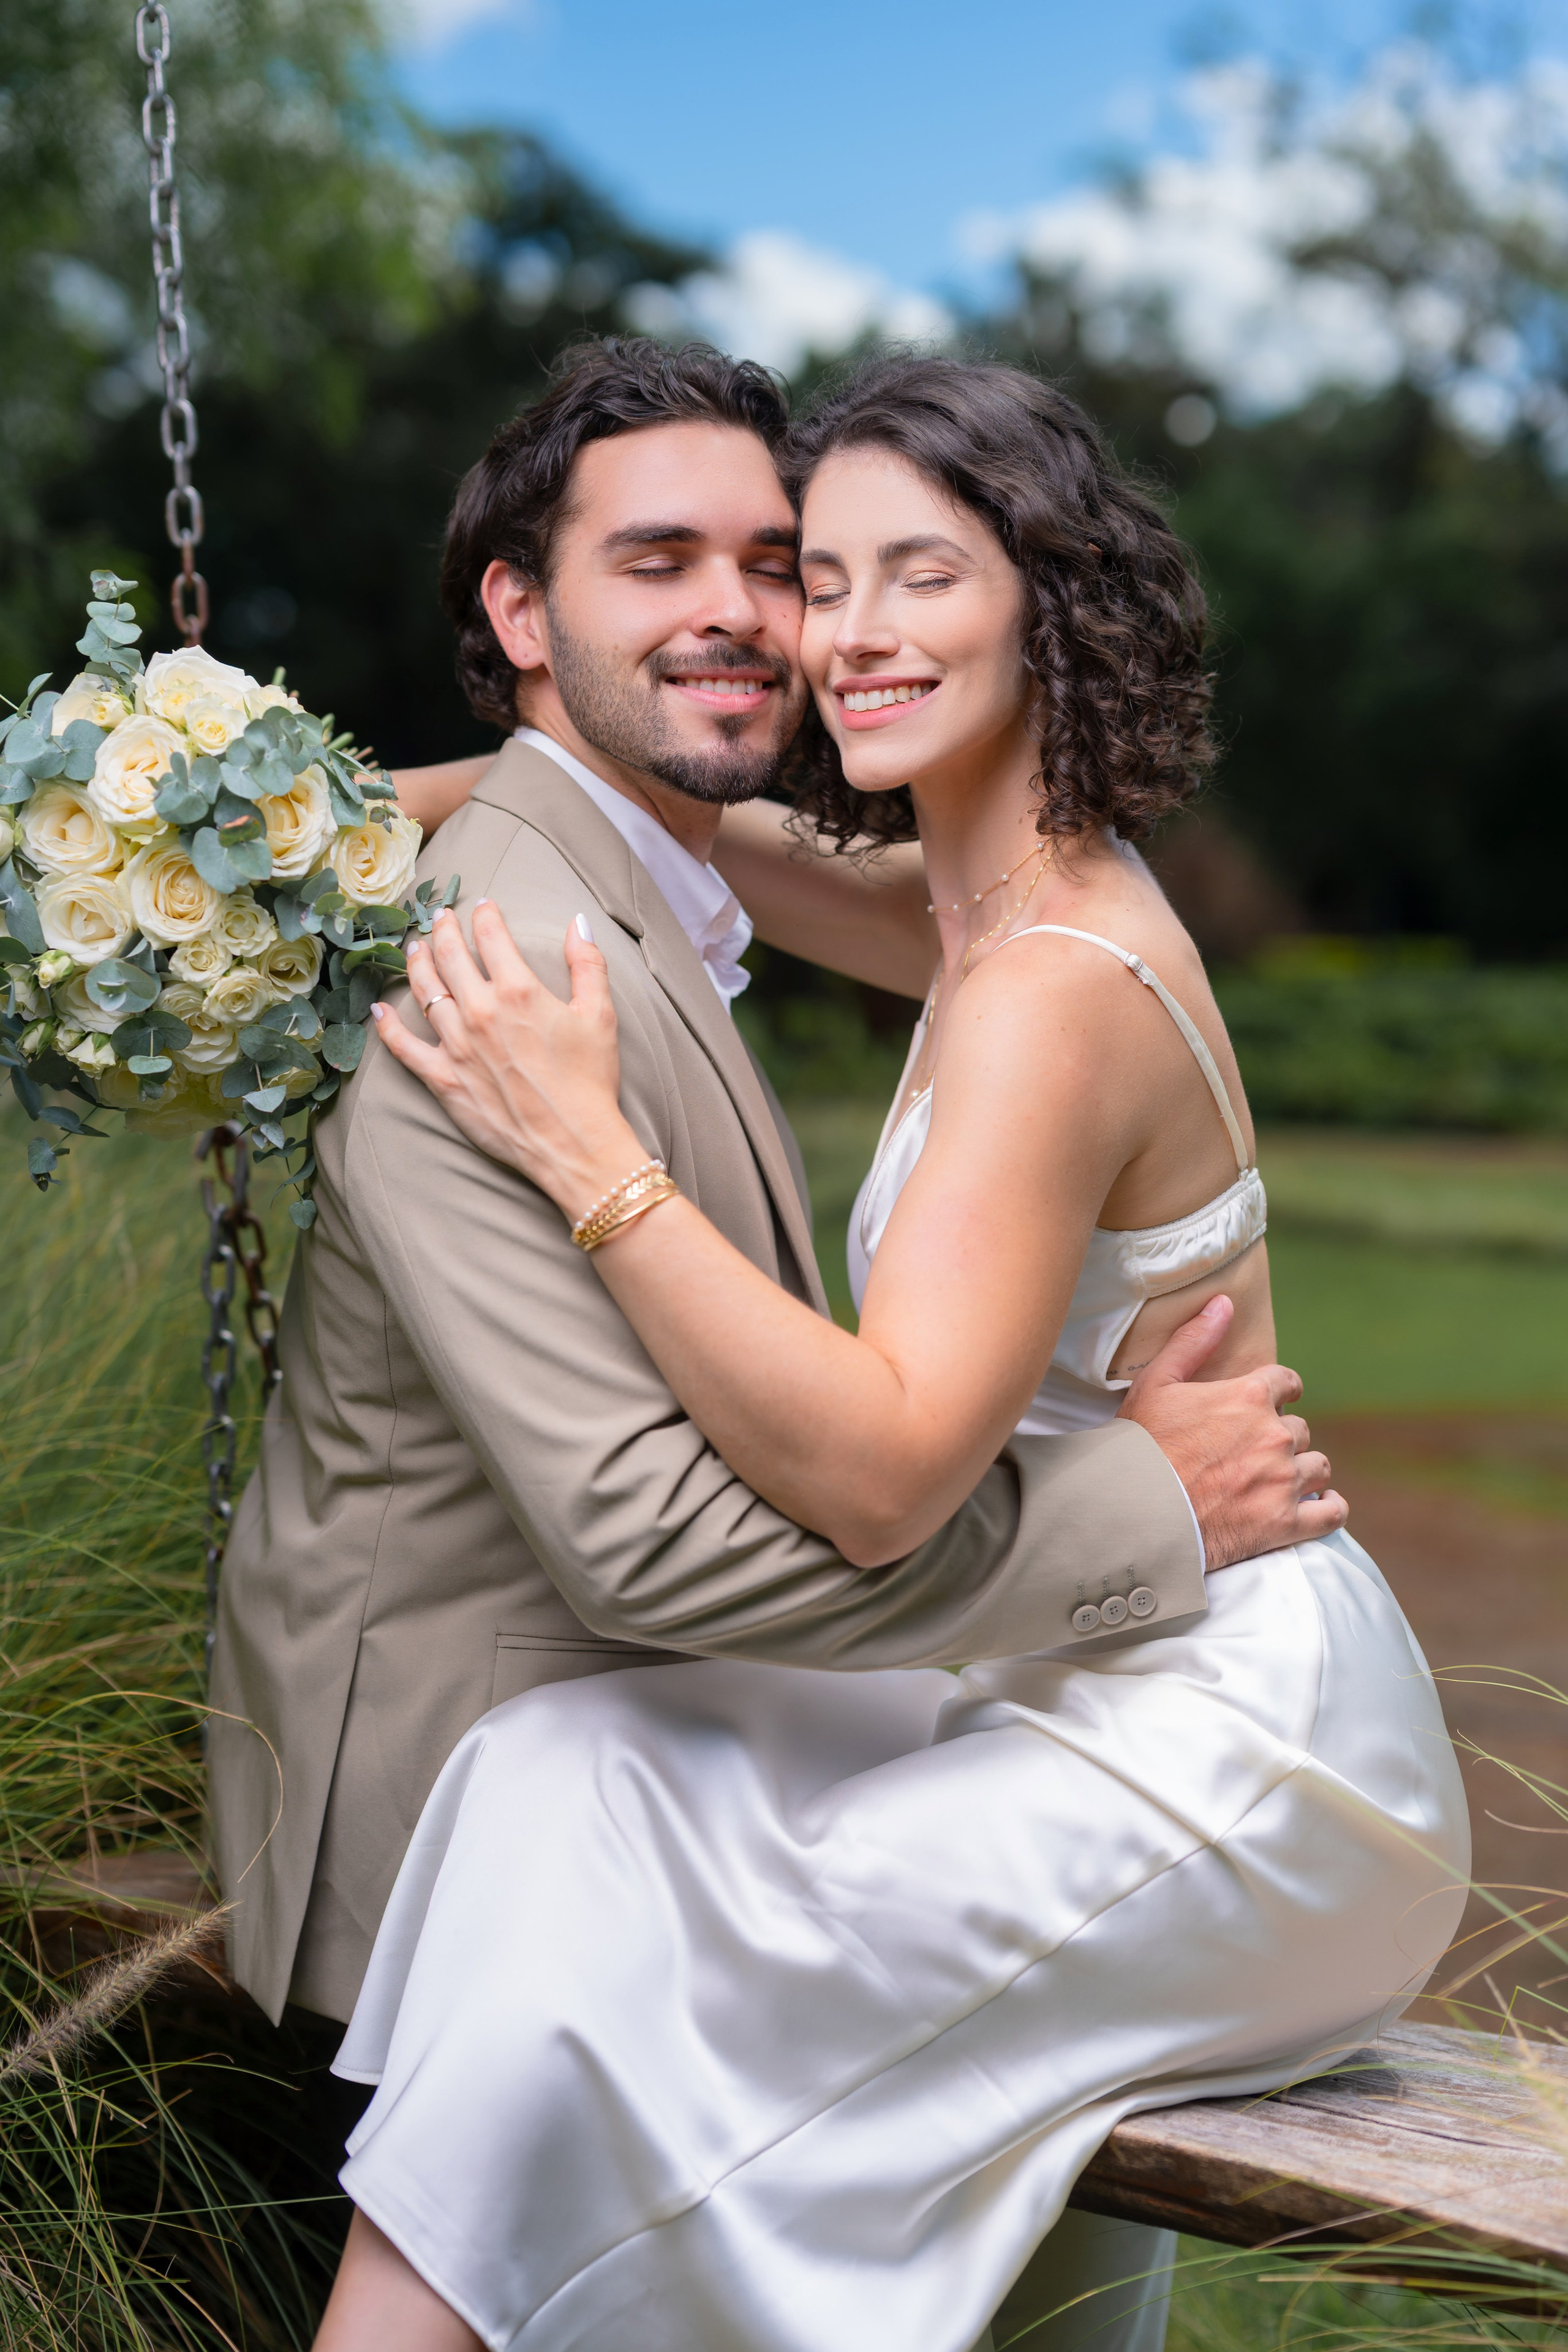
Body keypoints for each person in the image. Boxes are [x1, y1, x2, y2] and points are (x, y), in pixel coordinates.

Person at [304, 351, 1469, 2352]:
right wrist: (253, 832)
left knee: (637, 1948)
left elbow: (881, 1472)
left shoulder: (1047, 993)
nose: (836, 632)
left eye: (912, 576)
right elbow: (617, 806)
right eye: (817, 579)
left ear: (1048, 595)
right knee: (557, 1777)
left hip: (1231, 1747)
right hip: (1067, 1665)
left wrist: (592, 1156)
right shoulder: (979, 898)